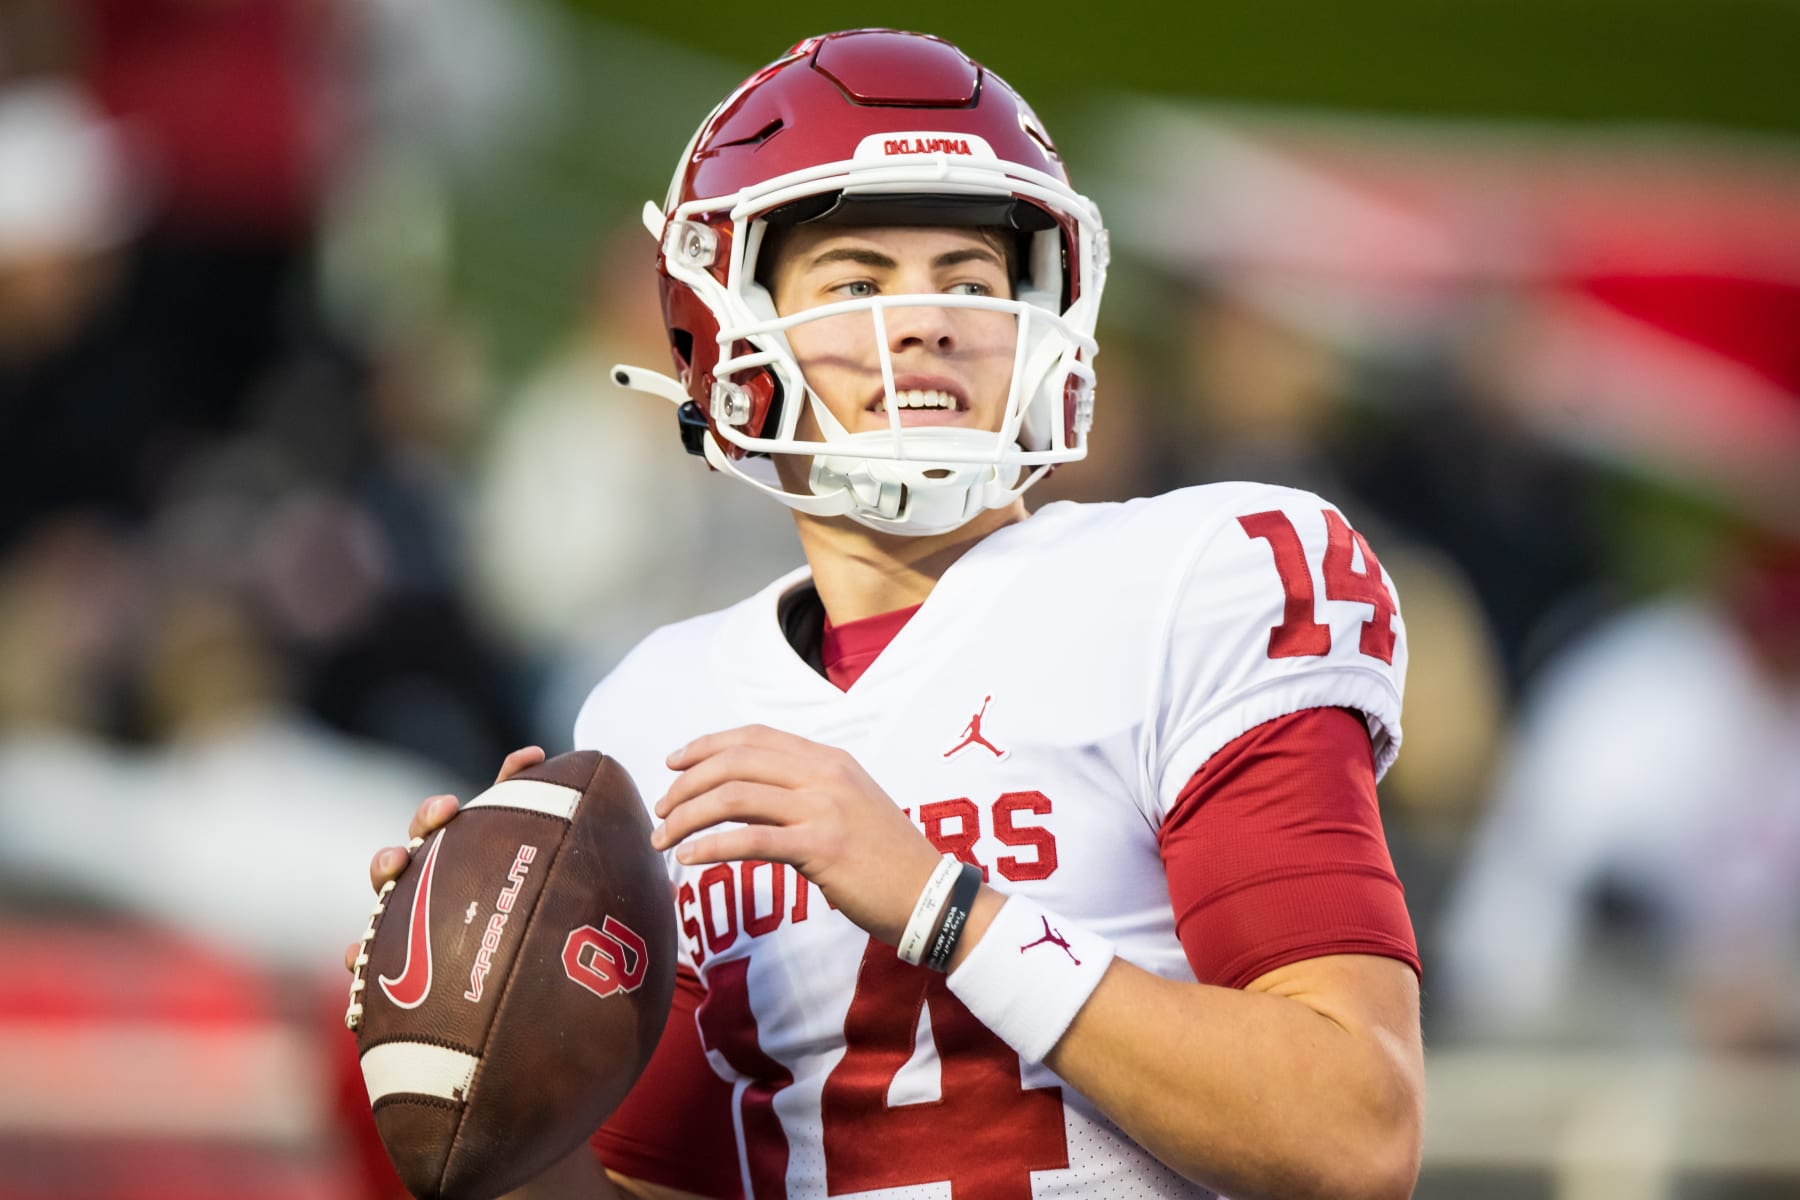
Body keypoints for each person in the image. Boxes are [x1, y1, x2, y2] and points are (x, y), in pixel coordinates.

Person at [351, 29, 1423, 1200]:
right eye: (858, 282)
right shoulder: (656, 711)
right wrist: (483, 1055)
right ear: (728, 331)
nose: (928, 321)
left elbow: (1351, 1132)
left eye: (970, 279)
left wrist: (937, 901)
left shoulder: (1193, 579)